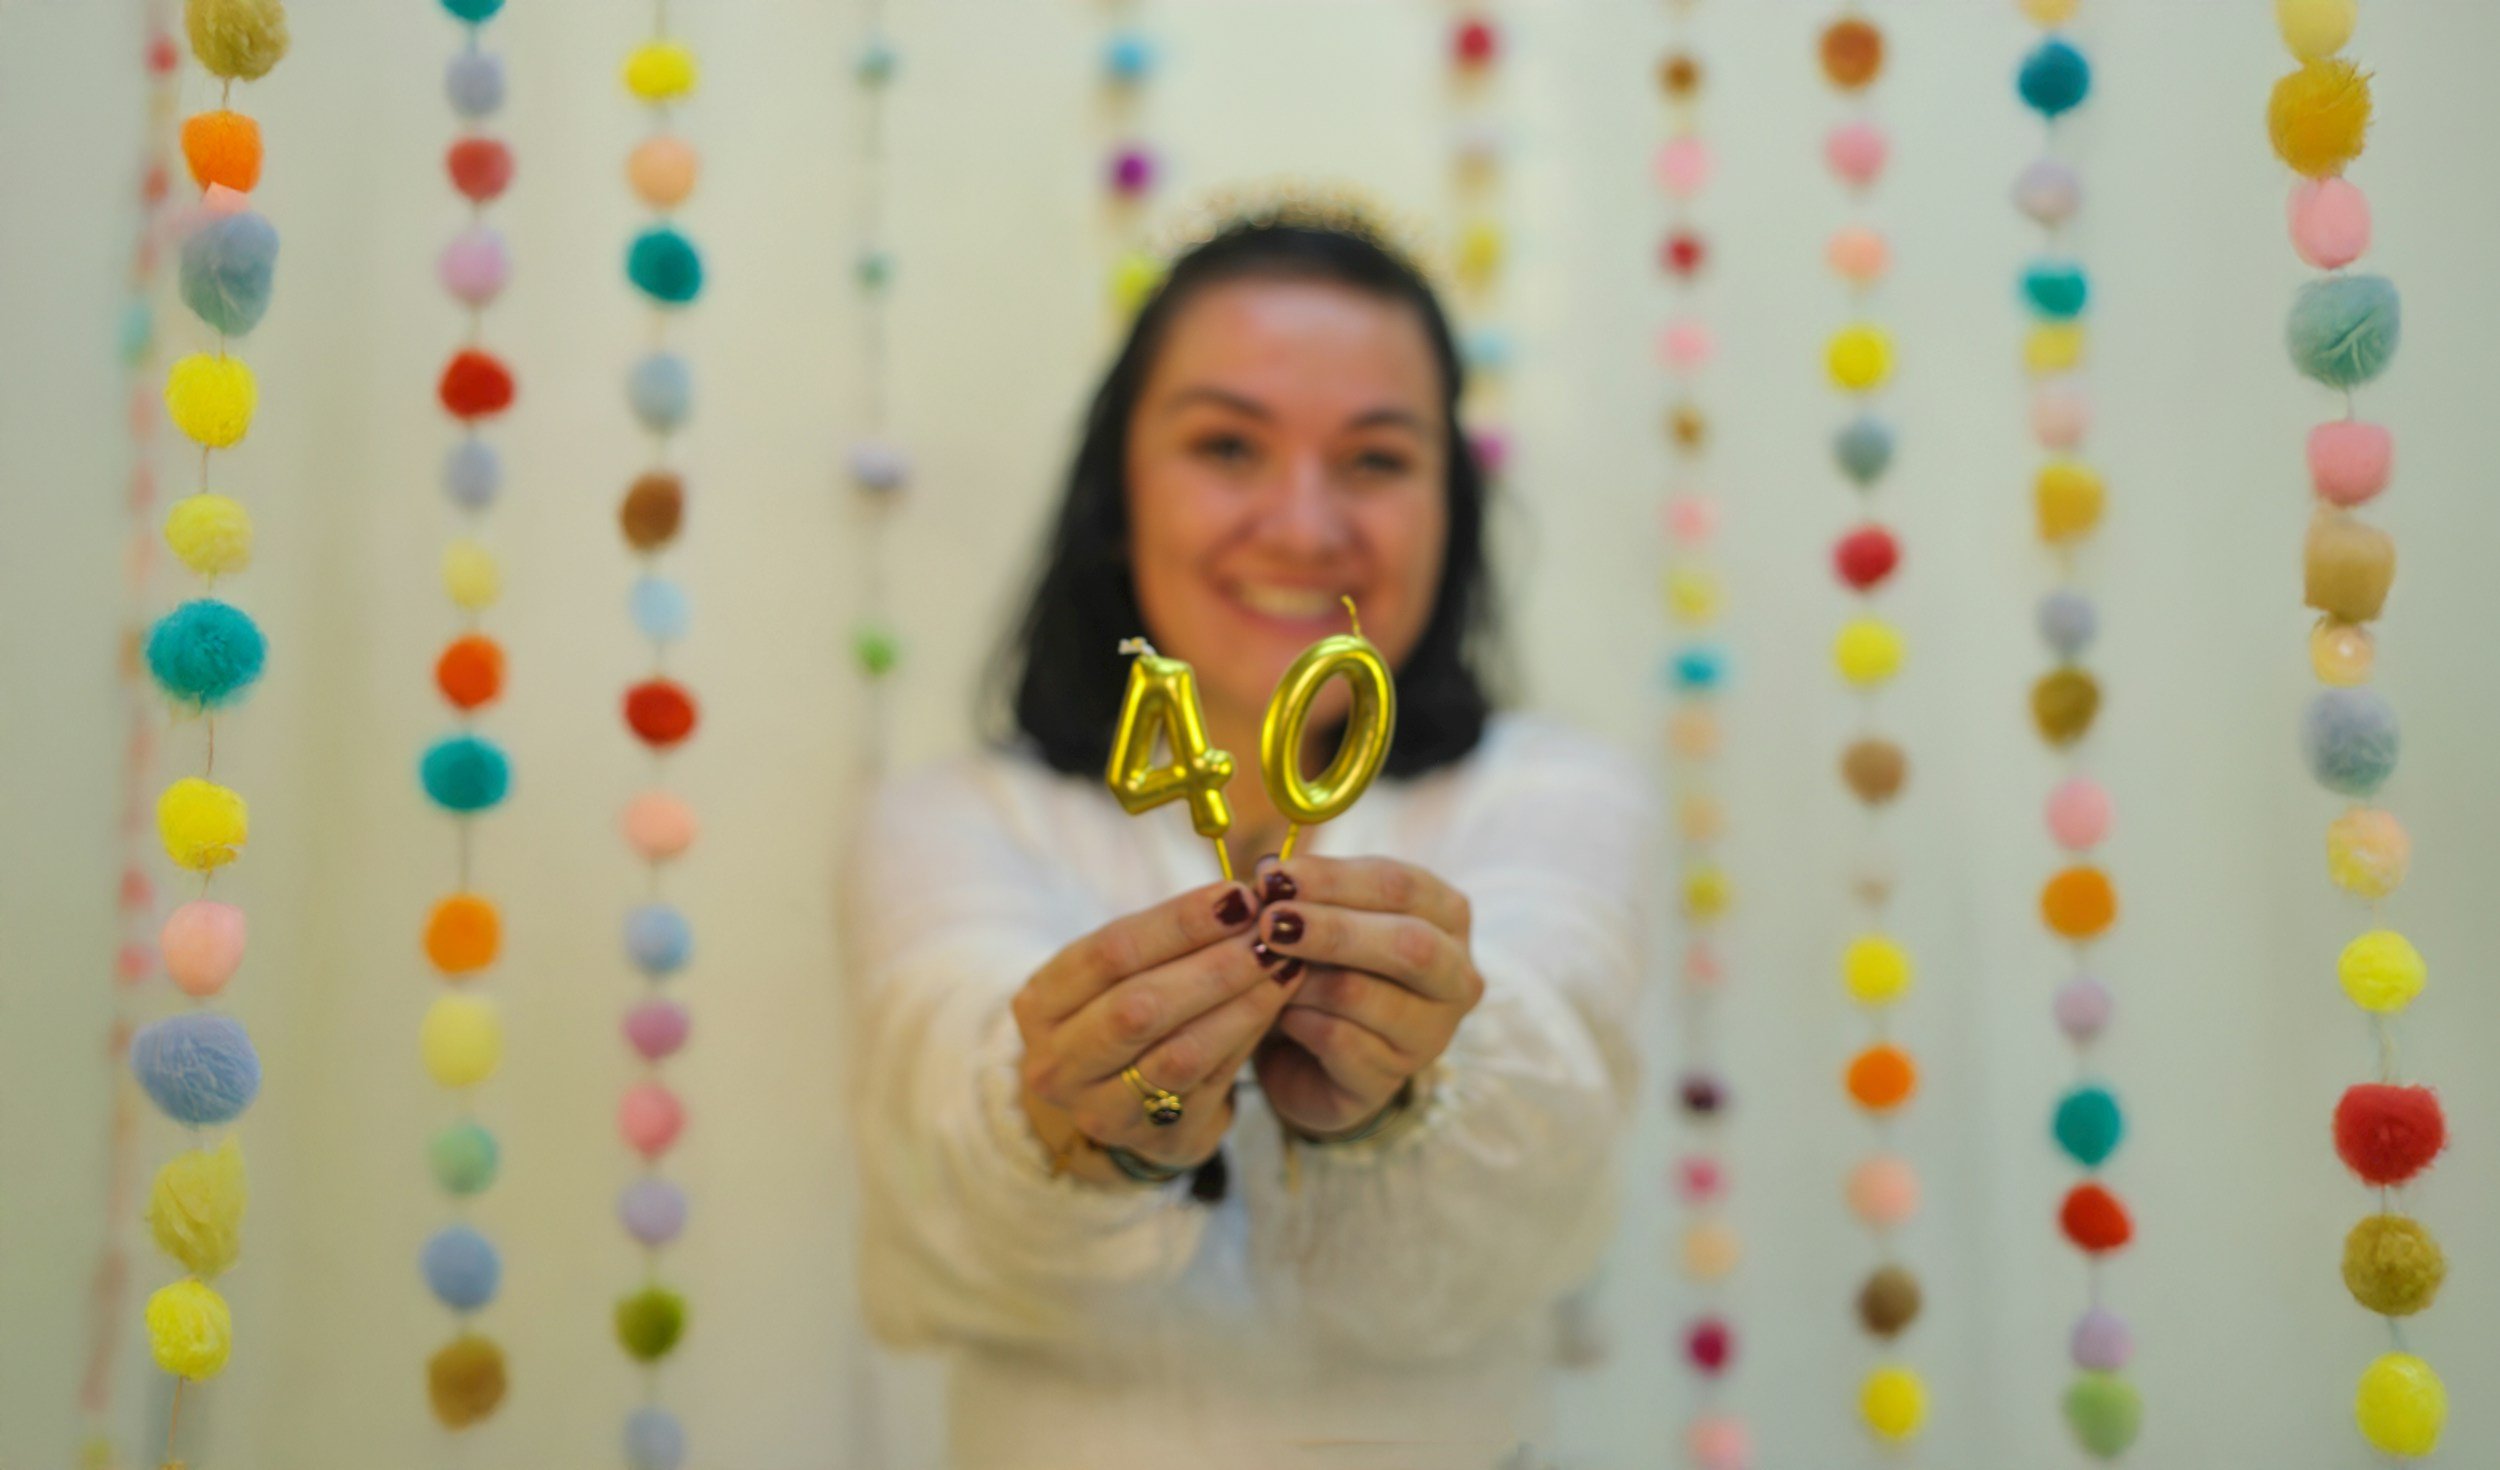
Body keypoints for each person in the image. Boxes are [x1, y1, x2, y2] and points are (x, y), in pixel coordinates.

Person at [842, 203, 1652, 1470]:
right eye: (1228, 446)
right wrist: (1091, 1118)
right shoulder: (949, 819)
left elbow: (1554, 1134)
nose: (1303, 523)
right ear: (1118, 493)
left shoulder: (1554, 794)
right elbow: (937, 1103)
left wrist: (1404, 1087)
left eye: (1377, 459)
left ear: (1453, 507)